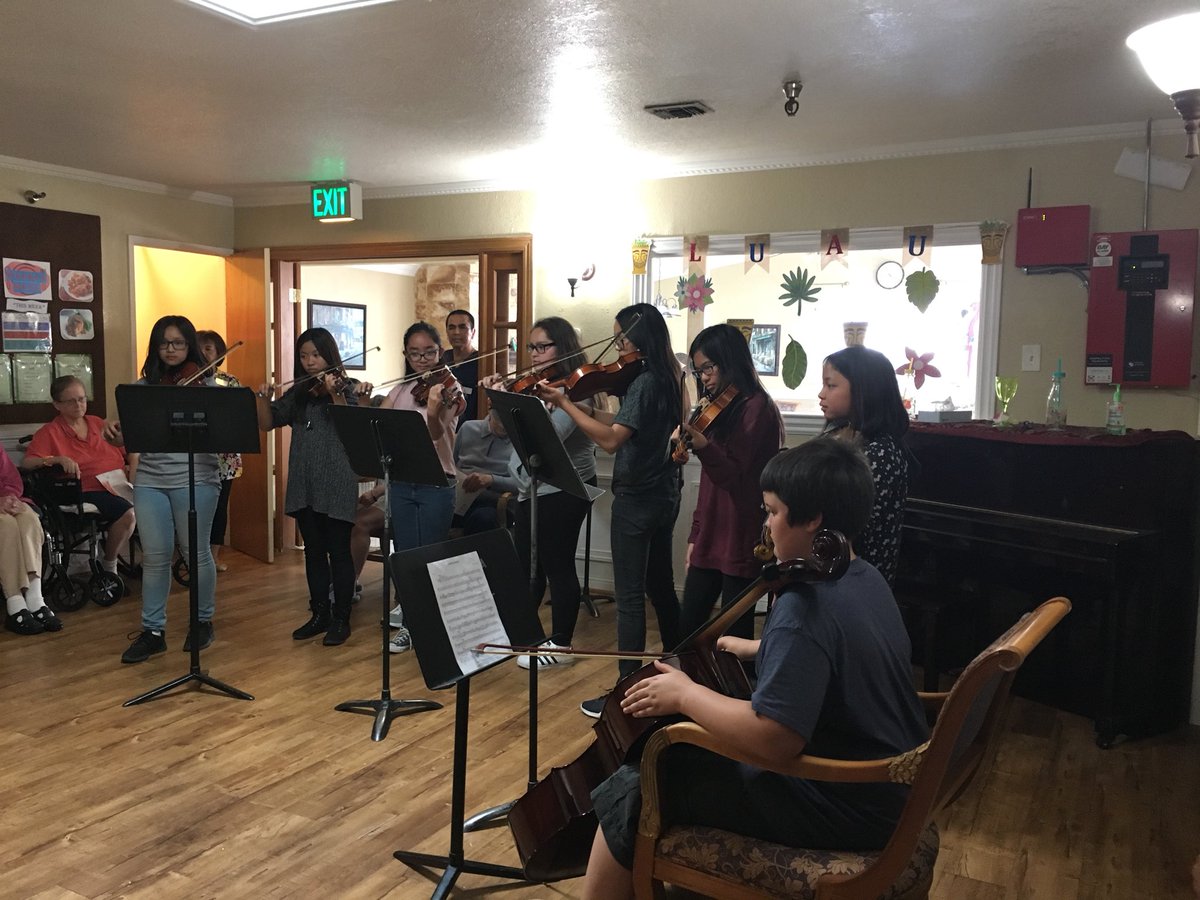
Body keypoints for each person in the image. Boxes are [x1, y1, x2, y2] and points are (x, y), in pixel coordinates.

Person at [580, 439, 929, 899]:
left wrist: (685, 695)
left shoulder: (803, 605)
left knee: (640, 781)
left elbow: (775, 739)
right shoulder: (864, 578)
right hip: (890, 791)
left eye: (772, 512)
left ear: (812, 519)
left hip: (844, 798)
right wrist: (764, 648)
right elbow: (841, 654)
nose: (765, 526)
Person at [536, 303, 683, 716]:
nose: (617, 347)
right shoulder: (671, 374)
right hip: (665, 493)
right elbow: (623, 423)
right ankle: (680, 663)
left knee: (631, 597)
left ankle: (624, 693)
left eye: (621, 338)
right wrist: (580, 406)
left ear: (638, 337)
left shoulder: (644, 382)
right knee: (661, 587)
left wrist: (565, 406)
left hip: (637, 498)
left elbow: (612, 440)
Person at [106, 315, 220, 664]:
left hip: (196, 477)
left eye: (179, 343)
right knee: (154, 557)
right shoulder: (141, 389)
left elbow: (223, 432)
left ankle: (202, 621)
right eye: (164, 343)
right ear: (156, 347)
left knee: (195, 552)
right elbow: (134, 436)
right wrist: (118, 435)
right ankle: (152, 631)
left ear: (190, 347)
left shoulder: (207, 388)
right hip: (151, 480)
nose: (171, 350)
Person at [489, 316, 597, 668]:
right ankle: (525, 636)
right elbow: (506, 434)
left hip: (564, 489)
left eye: (542, 347)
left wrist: (519, 404)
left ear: (561, 347)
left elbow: (547, 439)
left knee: (556, 564)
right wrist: (500, 402)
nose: (534, 355)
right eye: (531, 347)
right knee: (526, 563)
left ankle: (561, 644)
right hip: (531, 489)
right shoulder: (535, 388)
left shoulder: (575, 392)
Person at [358, 322, 464, 653]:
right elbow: (377, 430)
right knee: (404, 557)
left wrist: (433, 409)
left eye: (429, 352)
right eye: (415, 353)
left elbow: (436, 433)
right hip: (403, 482)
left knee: (428, 557)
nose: (422, 359)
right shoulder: (401, 390)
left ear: (440, 352)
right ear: (406, 354)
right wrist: (363, 404)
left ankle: (430, 627)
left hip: (436, 482)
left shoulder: (451, 388)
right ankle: (409, 626)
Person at [676, 324, 785, 642]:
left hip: (741, 533)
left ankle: (732, 692)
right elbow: (709, 485)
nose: (705, 377)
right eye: (699, 371)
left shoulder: (756, 409)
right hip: (711, 531)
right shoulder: (718, 408)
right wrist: (696, 533)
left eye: (708, 367)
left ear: (730, 360)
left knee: (733, 634)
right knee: (689, 629)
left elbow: (733, 476)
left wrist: (704, 445)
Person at [256, 327, 361, 646]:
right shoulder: (298, 393)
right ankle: (319, 613)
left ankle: (342, 618)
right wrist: (262, 398)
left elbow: (350, 423)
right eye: (304, 356)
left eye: (316, 355)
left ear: (329, 356)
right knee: (313, 551)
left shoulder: (348, 388)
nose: (310, 362)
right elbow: (266, 422)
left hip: (337, 480)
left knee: (339, 550)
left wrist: (335, 392)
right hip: (305, 480)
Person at [24, 375, 136, 577]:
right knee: (128, 514)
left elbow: (126, 450)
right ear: (57, 404)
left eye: (82, 399)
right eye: (71, 401)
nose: (79, 405)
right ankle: (109, 564)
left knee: (154, 502)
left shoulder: (96, 423)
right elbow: (28, 463)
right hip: (86, 490)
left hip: (117, 484)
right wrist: (55, 459)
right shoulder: (50, 432)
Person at [818, 345, 910, 584]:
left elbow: (851, 524)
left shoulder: (880, 452)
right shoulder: (838, 435)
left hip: (857, 578)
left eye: (831, 385)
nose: (821, 394)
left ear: (862, 391)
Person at [0, 446, 60, 635]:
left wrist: (10, 497)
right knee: (6, 525)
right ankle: (15, 603)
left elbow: (11, 478)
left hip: (6, 501)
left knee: (29, 519)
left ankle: (35, 598)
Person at [196, 330, 242, 573]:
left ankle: (213, 556)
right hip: (193, 458)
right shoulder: (186, 381)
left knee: (218, 507)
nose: (203, 353)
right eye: (199, 347)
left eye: (209, 348)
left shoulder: (229, 382)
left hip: (224, 459)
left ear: (219, 354)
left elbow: (237, 417)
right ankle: (187, 555)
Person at [452, 407, 519, 535]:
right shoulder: (468, 428)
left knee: (484, 518)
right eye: (499, 426)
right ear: (490, 413)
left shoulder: (518, 441)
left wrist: (491, 479)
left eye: (507, 427)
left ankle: (472, 554)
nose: (504, 430)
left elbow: (523, 483)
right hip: (460, 496)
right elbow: (451, 464)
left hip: (494, 502)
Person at [443, 309, 480, 430]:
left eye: (462, 327)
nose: (456, 332)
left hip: (470, 430)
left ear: (473, 332)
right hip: (443, 427)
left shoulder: (481, 363)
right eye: (451, 327)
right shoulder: (441, 360)